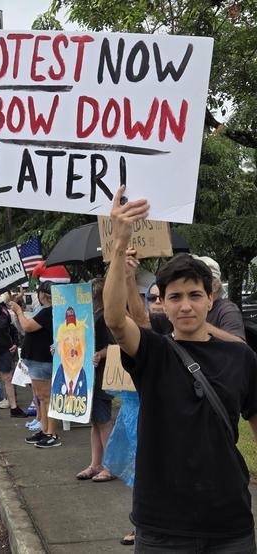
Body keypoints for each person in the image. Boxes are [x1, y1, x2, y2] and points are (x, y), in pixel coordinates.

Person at [103, 185, 257, 553]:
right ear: (163, 304)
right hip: (162, 526)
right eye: (174, 297)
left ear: (211, 299)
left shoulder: (241, 358)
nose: (185, 305)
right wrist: (119, 244)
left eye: (194, 295)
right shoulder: (153, 352)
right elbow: (114, 317)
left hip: (230, 523)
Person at [10, 281, 61, 448]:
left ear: (43, 295)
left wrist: (18, 311)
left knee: (47, 398)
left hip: (42, 360)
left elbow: (27, 326)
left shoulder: (49, 311)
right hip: (36, 360)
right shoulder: (44, 311)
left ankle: (51, 433)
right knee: (41, 398)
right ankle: (44, 429)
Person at [76, 278, 115, 481]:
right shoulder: (90, 316)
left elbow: (114, 345)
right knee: (95, 423)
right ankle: (96, 464)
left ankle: (109, 466)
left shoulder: (105, 317)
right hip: (88, 377)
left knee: (104, 422)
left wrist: (99, 354)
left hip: (100, 377)